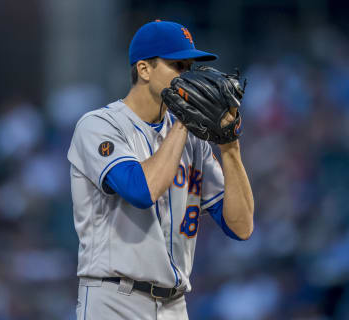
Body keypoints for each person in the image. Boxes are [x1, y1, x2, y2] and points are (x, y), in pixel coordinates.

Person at [68, 20, 254, 320]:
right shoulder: (99, 126)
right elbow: (142, 191)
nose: (187, 77)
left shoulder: (194, 141)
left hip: (175, 305)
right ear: (144, 70)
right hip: (114, 300)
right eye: (177, 66)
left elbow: (241, 226)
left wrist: (230, 146)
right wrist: (183, 119)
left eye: (189, 68)